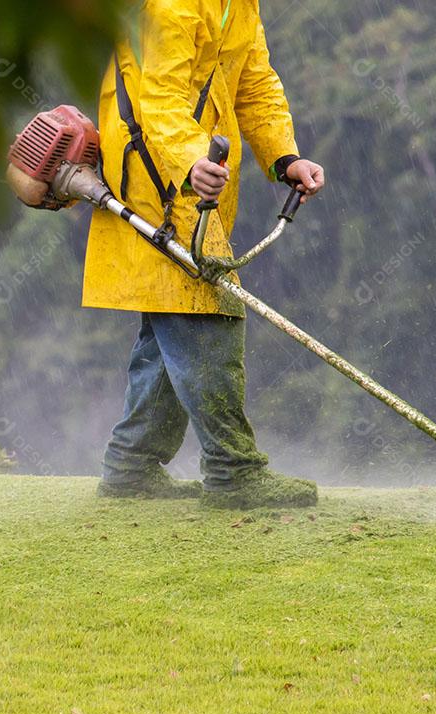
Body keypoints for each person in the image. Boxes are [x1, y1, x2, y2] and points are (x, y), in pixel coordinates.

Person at [83, 0, 326, 508]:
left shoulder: (238, 5)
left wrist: (285, 157)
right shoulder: (172, 5)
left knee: (169, 327)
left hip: (190, 180)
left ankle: (132, 466)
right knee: (208, 312)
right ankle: (234, 470)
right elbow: (161, 97)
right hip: (157, 178)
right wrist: (191, 159)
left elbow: (255, 83)